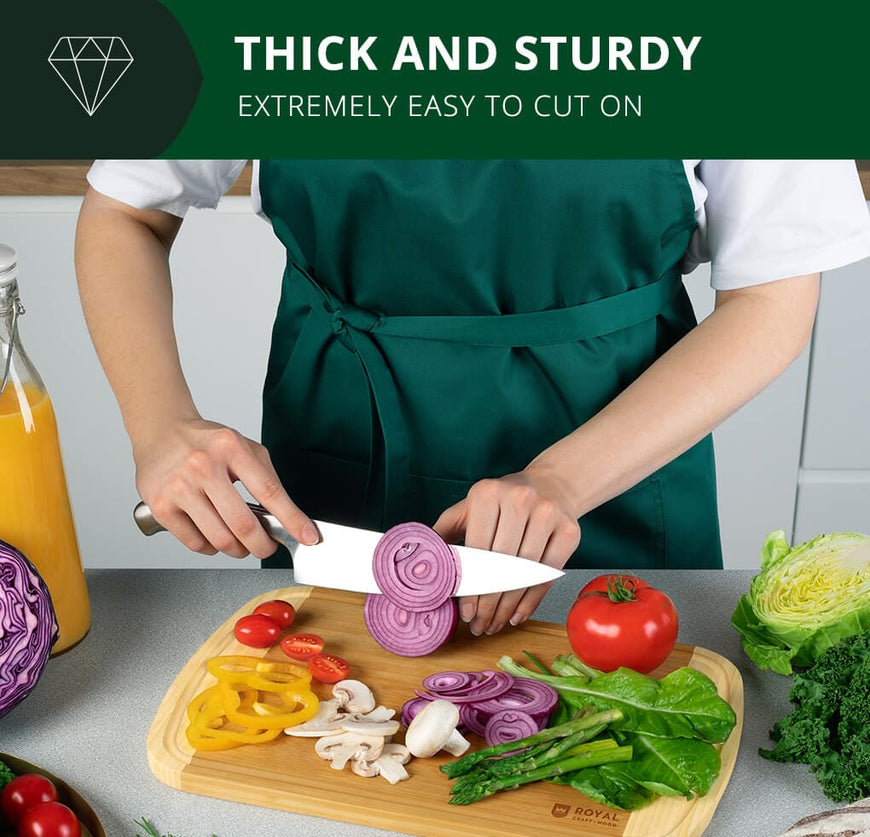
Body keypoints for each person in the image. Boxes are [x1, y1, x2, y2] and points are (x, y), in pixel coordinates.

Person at [74, 159, 870, 635]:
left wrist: (561, 481)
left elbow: (774, 299)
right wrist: (161, 426)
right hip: (340, 456)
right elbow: (125, 212)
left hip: (615, 472)